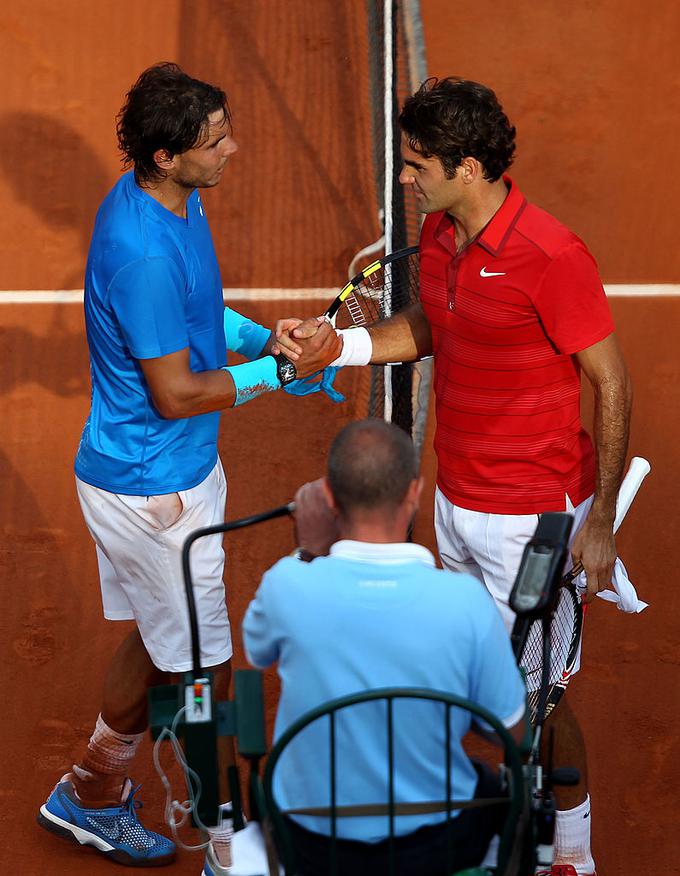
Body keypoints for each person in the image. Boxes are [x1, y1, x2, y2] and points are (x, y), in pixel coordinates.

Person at [289, 77, 633, 876]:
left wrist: (604, 519)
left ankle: (572, 852)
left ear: (469, 167)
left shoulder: (551, 255)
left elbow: (611, 382)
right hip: (456, 502)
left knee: (541, 702)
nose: (405, 179)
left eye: (417, 164)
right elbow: (427, 327)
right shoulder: (442, 237)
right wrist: (336, 348)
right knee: (483, 681)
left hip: (534, 518)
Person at [37, 62, 340, 870]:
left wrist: (258, 342)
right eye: (216, 141)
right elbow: (174, 393)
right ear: (166, 155)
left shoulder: (173, 197)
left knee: (163, 633)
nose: (233, 149)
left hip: (164, 475)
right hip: (153, 491)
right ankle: (222, 848)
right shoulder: (138, 251)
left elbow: (200, 309)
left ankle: (91, 792)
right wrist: (275, 374)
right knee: (203, 671)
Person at [243, 419, 528, 876]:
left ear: (330, 499)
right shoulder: (465, 603)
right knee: (495, 790)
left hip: (311, 846)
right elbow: (511, 734)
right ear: (415, 492)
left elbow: (256, 652)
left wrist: (309, 550)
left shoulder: (287, 585)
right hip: (435, 850)